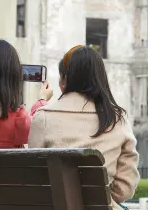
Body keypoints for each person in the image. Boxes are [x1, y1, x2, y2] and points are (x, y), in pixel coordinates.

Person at [28, 46, 139, 210]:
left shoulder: (43, 117)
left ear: (64, 80)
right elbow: (125, 189)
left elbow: (35, 179)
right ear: (100, 78)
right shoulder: (117, 119)